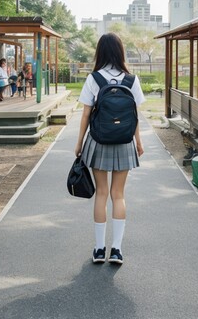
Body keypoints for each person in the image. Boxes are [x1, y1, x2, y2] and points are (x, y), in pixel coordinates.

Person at [74, 33, 145, 265]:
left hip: (98, 140)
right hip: (124, 141)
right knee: (119, 195)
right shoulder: (131, 80)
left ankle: (98, 249)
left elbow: (86, 114)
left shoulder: (94, 78)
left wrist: (79, 143)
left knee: (102, 194)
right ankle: (116, 250)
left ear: (100, 52)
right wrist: (139, 142)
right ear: (120, 51)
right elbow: (135, 115)